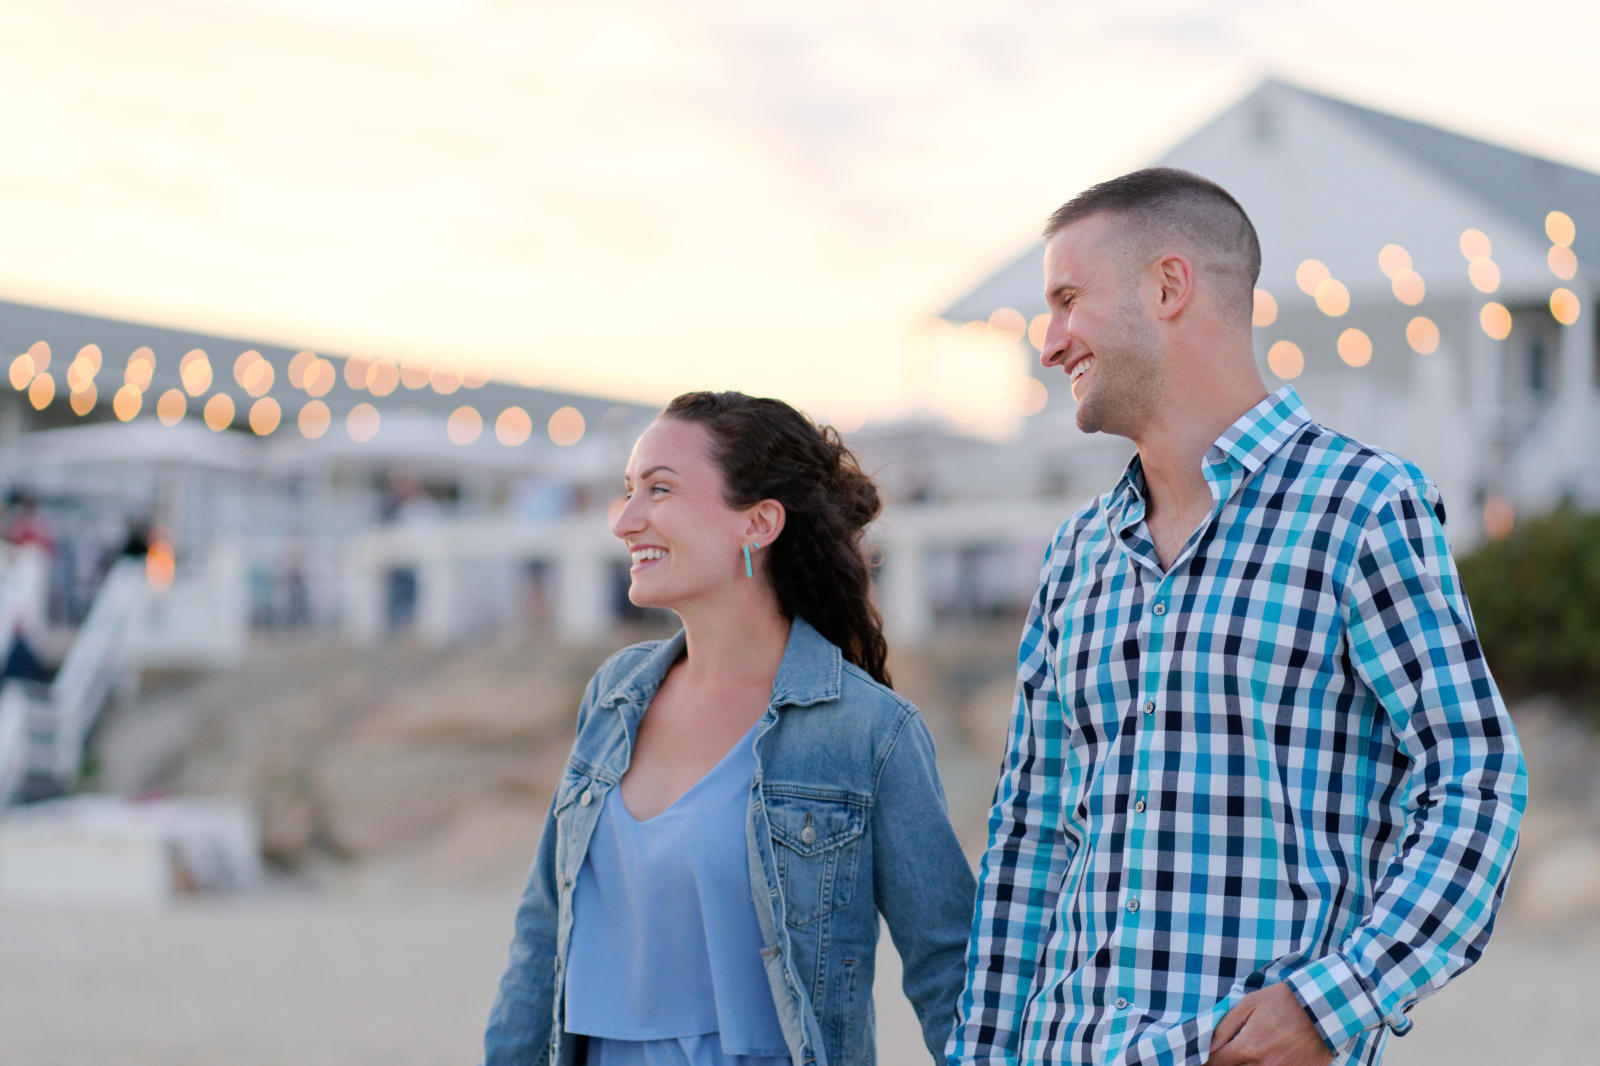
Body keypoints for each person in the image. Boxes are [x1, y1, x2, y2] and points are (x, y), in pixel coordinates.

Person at [946, 169, 1525, 1066]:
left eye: (1067, 300)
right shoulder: (1075, 556)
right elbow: (1029, 837)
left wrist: (1338, 1003)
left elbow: (1474, 778)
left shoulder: (1362, 506)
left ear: (1168, 287)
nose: (1050, 342)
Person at [484, 391, 976, 1066]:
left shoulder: (867, 731)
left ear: (760, 523)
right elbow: (542, 936)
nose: (626, 521)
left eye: (659, 490)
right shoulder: (614, 697)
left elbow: (951, 971)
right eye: (627, 492)